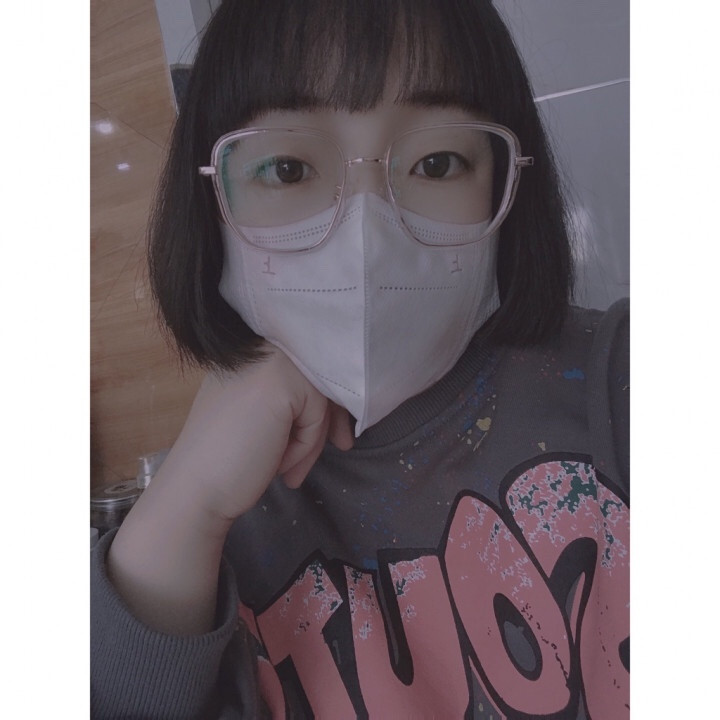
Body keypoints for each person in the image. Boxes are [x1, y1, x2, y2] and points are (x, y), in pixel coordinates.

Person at [91, 0, 629, 717]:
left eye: (437, 162)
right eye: (287, 168)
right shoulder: (212, 508)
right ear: (211, 197)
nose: (366, 231)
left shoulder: (619, 383)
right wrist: (183, 505)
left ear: (507, 181)